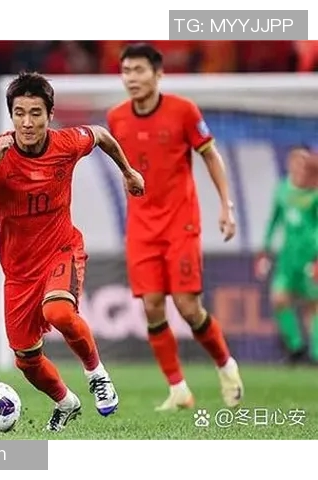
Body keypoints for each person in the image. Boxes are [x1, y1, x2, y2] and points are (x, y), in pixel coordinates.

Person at [0, 71, 145, 432]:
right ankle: (66, 402)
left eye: (35, 113)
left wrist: (128, 172)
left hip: (61, 249)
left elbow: (101, 135)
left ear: (49, 115)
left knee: (58, 311)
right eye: (19, 113)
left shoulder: (67, 143)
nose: (27, 122)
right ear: (11, 115)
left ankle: (97, 374)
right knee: (26, 359)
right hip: (18, 271)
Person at [106, 43, 244, 411]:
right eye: (126, 71)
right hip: (141, 228)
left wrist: (226, 205)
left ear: (158, 74)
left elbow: (210, 155)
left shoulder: (183, 111)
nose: (132, 78)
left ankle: (226, 365)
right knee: (152, 307)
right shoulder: (116, 118)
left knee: (188, 307)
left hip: (181, 223)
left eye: (139, 70)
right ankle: (178, 389)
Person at [255, 145, 318, 365]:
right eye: (295, 161)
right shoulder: (282, 190)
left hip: (311, 256)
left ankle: (315, 354)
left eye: (303, 162)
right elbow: (274, 220)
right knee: (279, 299)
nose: (298, 167)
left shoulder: (314, 193)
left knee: (312, 304)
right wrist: (265, 248)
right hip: (287, 257)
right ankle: (296, 347)